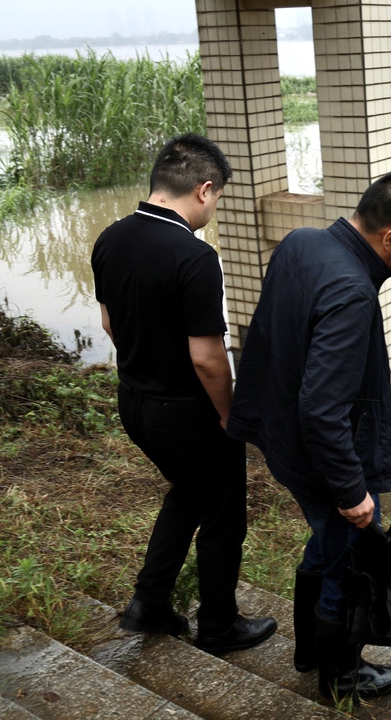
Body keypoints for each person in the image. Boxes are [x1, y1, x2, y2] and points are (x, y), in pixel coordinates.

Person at [227, 169, 391, 699]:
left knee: (327, 545)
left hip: (284, 441)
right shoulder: (351, 290)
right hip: (323, 456)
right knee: (346, 562)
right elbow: (324, 408)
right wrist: (353, 492)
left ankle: (309, 651)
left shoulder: (302, 243)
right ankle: (340, 675)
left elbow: (277, 343)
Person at [91, 133, 277, 655]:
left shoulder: (110, 237)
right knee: (223, 516)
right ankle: (219, 626)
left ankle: (148, 602)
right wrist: (229, 416)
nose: (213, 210)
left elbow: (109, 321)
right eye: (216, 199)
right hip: (187, 411)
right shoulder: (194, 257)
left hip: (135, 402)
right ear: (204, 188)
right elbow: (207, 356)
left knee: (190, 493)